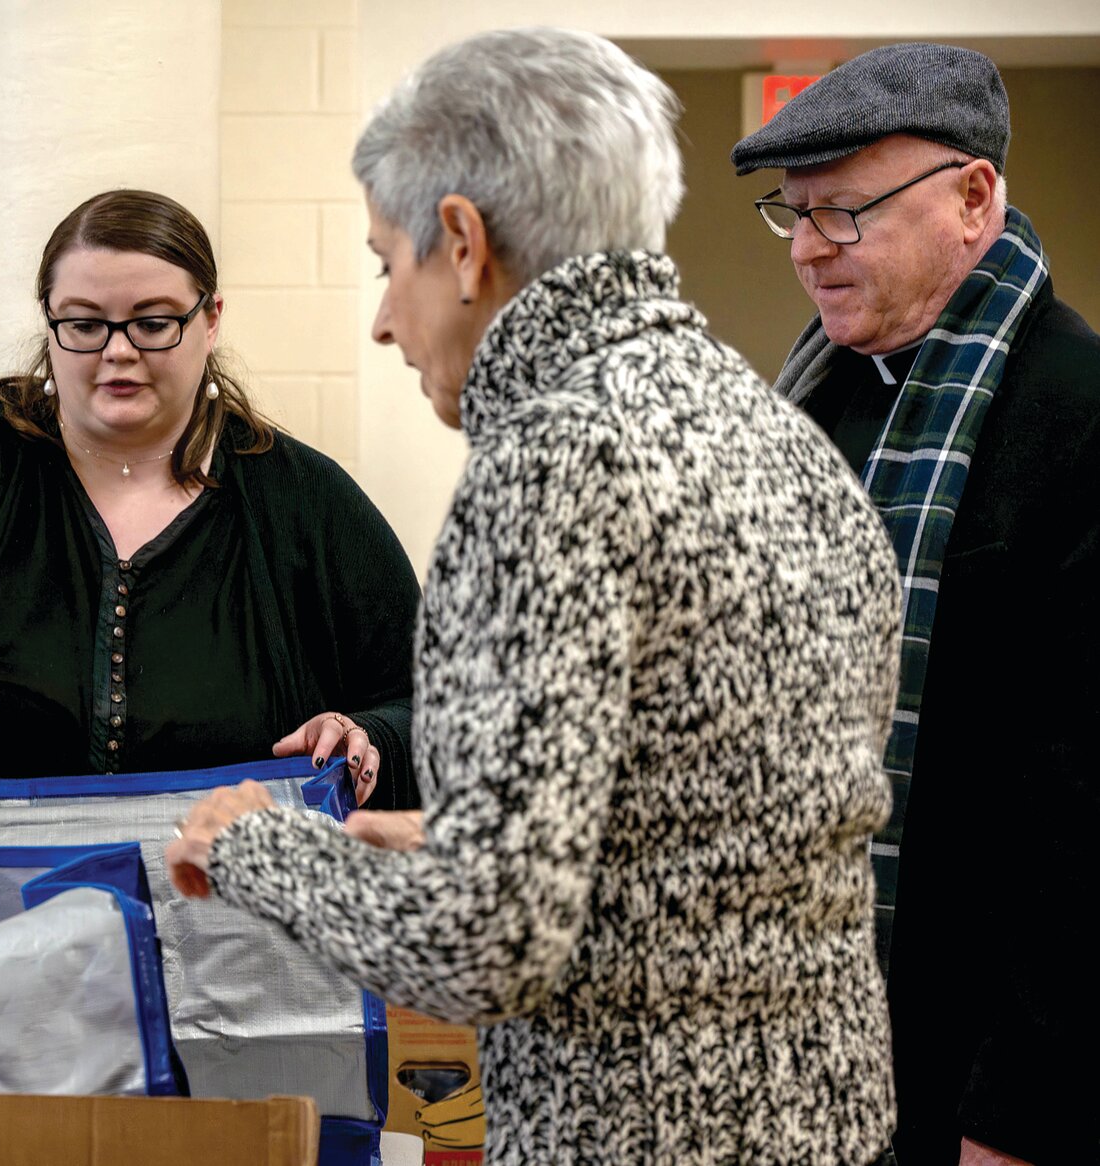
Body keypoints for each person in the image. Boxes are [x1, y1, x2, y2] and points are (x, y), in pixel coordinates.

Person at [167, 28, 900, 1166]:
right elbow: (723, 835)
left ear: (461, 242)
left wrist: (260, 847)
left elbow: (485, 943)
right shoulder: (784, 437)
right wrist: (474, 833)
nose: (379, 318)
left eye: (382, 262)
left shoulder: (547, 464)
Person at [732, 43, 1100, 1166]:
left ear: (974, 196)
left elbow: (1083, 809)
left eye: (843, 213)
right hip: (794, 1047)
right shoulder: (808, 405)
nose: (806, 251)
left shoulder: (1076, 414)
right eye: (791, 215)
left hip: (980, 1072)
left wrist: (1021, 1109)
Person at [0, 189, 421, 808]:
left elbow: (428, 703)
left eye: (153, 323)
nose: (118, 351)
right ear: (50, 321)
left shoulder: (306, 503)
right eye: (85, 324)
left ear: (211, 320)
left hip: (210, 904)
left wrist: (371, 739)